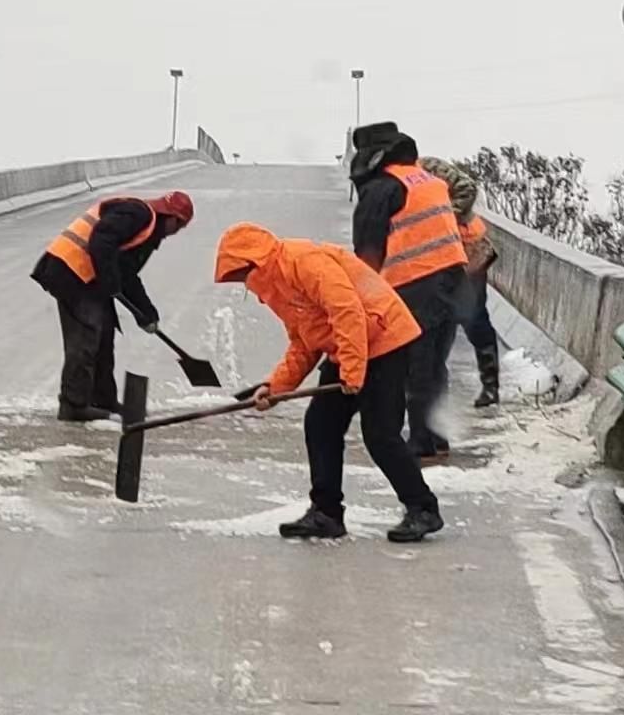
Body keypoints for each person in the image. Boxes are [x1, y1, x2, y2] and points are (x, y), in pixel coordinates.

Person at [214, 222, 444, 543]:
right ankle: (326, 514)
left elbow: (347, 310)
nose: (245, 286)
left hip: (384, 339)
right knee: (320, 424)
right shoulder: (277, 287)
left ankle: (423, 509)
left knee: (380, 434)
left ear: (253, 262)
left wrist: (352, 372)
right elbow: (305, 342)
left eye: (241, 277)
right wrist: (277, 388)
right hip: (349, 347)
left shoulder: (303, 262)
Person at [350, 122, 468, 463]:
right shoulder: (428, 180)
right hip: (455, 280)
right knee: (434, 364)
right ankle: (436, 435)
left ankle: (419, 441)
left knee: (412, 364)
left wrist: (362, 301)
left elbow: (367, 254)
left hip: (417, 283)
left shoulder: (383, 189)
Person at [30, 191, 194, 421]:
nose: (175, 233)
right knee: (86, 336)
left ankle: (103, 399)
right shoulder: (137, 215)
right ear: (173, 218)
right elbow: (101, 240)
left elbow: (126, 273)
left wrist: (146, 313)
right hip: (70, 270)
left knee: (105, 332)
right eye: (179, 227)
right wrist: (110, 282)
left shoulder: (147, 228)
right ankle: (73, 405)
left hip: (88, 276)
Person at [419, 156, 501, 408]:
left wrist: (445, 217)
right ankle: (435, 386)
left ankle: (490, 386)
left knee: (474, 318)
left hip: (467, 251)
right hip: (437, 258)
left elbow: (467, 187)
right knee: (440, 321)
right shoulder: (392, 187)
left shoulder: (428, 168)